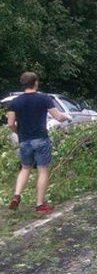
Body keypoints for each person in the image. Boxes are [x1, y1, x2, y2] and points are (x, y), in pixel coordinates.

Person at [7, 72, 71, 213]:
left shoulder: (14, 102)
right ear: (35, 82)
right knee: (42, 171)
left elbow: (10, 124)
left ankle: (17, 195)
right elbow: (58, 117)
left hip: (24, 141)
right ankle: (40, 204)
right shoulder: (44, 99)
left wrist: (19, 133)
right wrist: (67, 117)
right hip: (41, 139)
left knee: (25, 168)